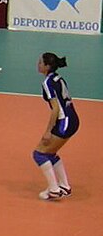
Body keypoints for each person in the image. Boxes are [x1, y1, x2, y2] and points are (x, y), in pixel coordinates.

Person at [32, 53, 78, 201]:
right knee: (50, 153)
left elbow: (56, 109)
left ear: (47, 66)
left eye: (40, 62)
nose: (38, 64)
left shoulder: (47, 83)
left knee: (39, 153)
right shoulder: (58, 78)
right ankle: (64, 186)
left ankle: (54, 189)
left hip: (64, 121)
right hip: (73, 119)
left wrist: (48, 131)